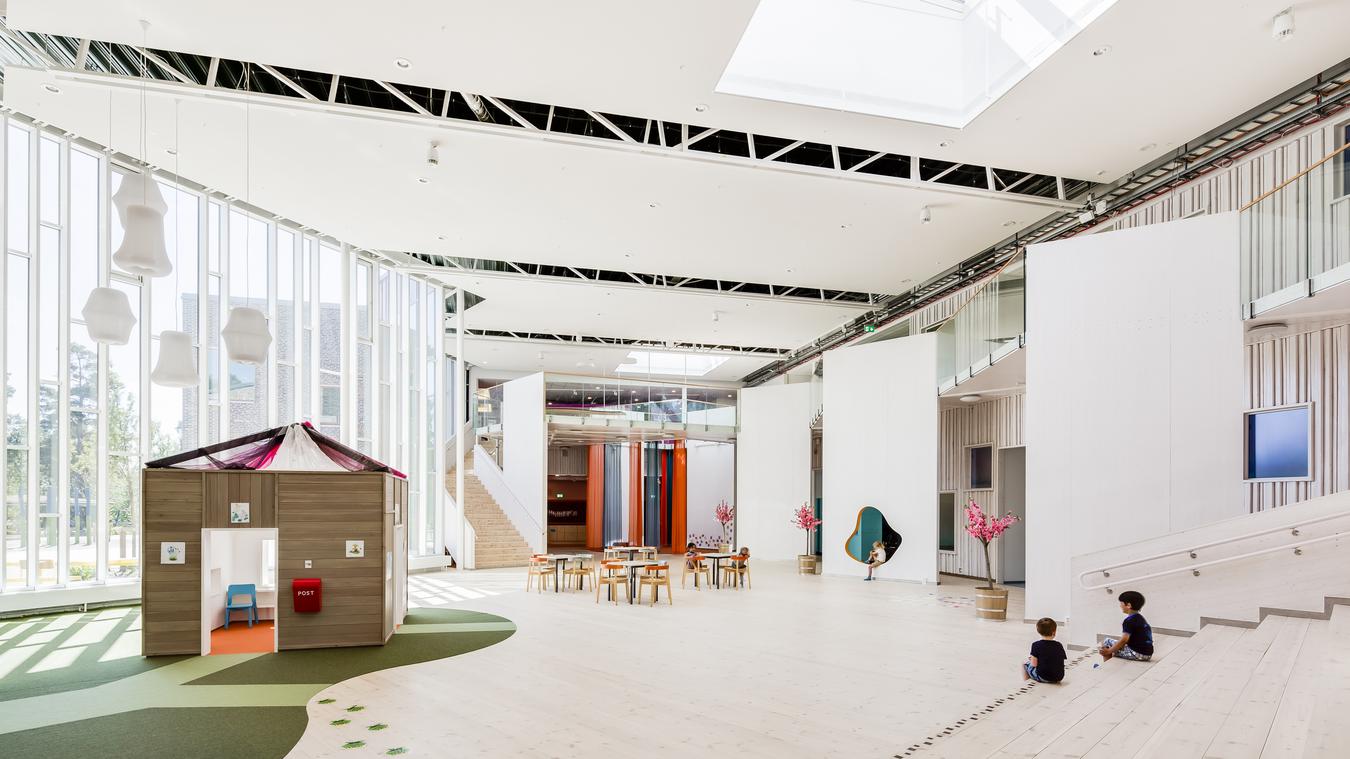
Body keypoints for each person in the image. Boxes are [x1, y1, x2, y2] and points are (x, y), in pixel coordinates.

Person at [1099, 590, 1154, 662]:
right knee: (1114, 645)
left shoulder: (1128, 621)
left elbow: (1124, 640)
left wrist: (1109, 651)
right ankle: (1108, 662)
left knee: (1107, 642)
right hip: (1147, 653)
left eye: (1121, 603)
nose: (1120, 605)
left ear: (1128, 605)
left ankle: (1106, 666)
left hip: (1138, 654)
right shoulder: (1140, 618)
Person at [1023, 618, 1067, 683]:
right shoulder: (1059, 645)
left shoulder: (1036, 645)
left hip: (1043, 677)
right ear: (1054, 632)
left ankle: (1027, 683)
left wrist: (1033, 659)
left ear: (1038, 631)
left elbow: (1034, 664)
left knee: (1025, 664)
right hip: (1059, 677)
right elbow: (1060, 660)